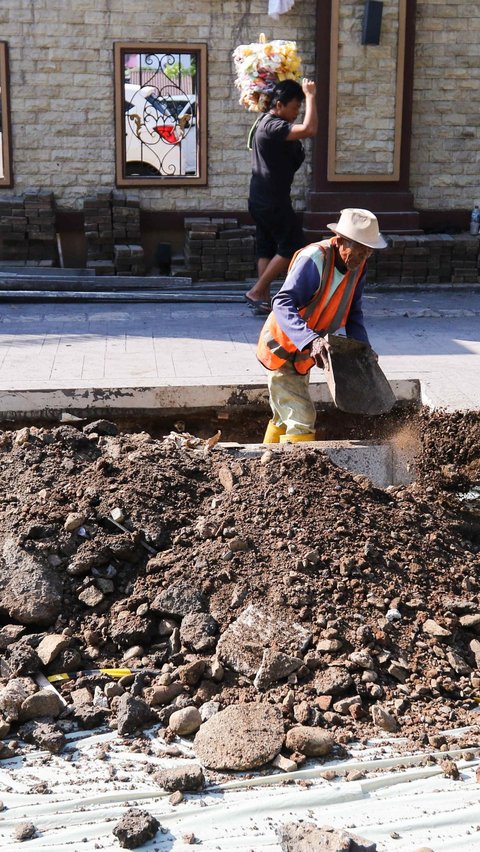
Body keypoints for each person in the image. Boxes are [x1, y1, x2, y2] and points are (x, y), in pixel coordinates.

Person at [256, 208, 388, 443]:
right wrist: (311, 340)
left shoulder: (358, 267)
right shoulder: (314, 259)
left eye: (369, 252)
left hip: (303, 352)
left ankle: (265, 463)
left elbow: (354, 312)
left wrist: (363, 350)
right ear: (340, 241)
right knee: (301, 417)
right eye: (359, 250)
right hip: (283, 345)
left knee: (283, 415)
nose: (363, 257)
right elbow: (282, 301)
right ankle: (297, 473)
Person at [245, 77, 318, 315]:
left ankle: (263, 300)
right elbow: (310, 129)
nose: (297, 112)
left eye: (300, 107)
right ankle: (257, 291)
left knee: (266, 247)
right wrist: (310, 96)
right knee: (292, 245)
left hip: (260, 197)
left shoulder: (264, 123)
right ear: (279, 104)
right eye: (295, 107)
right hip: (272, 200)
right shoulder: (273, 126)